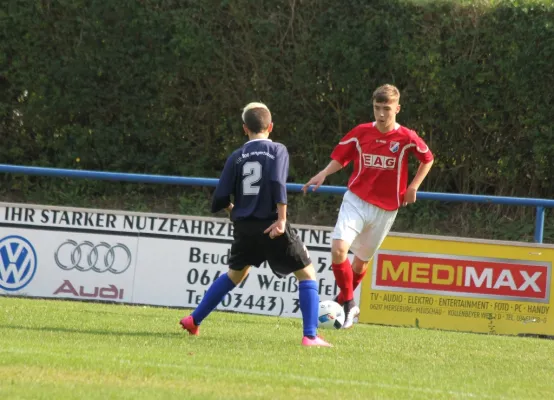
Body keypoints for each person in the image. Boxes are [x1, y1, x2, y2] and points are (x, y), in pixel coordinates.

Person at [180, 102, 332, 347]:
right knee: (307, 274)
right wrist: (282, 219)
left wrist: (234, 211)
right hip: (271, 226)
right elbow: (276, 182)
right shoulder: (278, 150)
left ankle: (193, 319)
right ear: (270, 126)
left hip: (244, 228)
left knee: (235, 275)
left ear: (244, 129)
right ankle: (310, 336)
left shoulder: (236, 156)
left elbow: (219, 198)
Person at [302, 84, 434, 329]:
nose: (381, 114)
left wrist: (414, 186)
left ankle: (341, 303)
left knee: (360, 263)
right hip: (356, 200)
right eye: (377, 108)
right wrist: (322, 174)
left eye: (386, 108)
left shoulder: (406, 138)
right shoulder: (361, 132)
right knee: (339, 249)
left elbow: (428, 158)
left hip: (386, 209)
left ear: (397, 108)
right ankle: (351, 303)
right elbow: (341, 157)